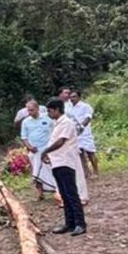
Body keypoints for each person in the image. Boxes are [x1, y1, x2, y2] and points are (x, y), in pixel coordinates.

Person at [41, 99, 87, 235]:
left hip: (66, 161)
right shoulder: (57, 123)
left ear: (56, 109)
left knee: (71, 193)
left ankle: (80, 223)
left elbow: (60, 141)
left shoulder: (66, 123)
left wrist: (45, 151)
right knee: (64, 194)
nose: (49, 114)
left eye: (50, 111)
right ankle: (69, 222)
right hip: (57, 162)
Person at [19, 100, 58, 201]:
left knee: (51, 170)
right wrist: (29, 147)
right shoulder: (26, 122)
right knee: (36, 172)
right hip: (34, 151)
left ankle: (56, 190)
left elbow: (55, 132)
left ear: (37, 109)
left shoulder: (47, 118)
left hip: (48, 150)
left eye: (32, 110)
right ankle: (40, 194)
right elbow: (24, 137)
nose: (30, 112)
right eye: (28, 111)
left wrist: (51, 147)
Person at [70, 91, 99, 177]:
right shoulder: (69, 107)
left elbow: (88, 117)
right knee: (80, 153)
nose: (72, 99)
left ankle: (96, 171)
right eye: (71, 97)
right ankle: (86, 172)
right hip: (75, 133)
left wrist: (81, 126)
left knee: (90, 152)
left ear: (79, 97)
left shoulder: (85, 106)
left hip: (85, 133)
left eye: (74, 97)